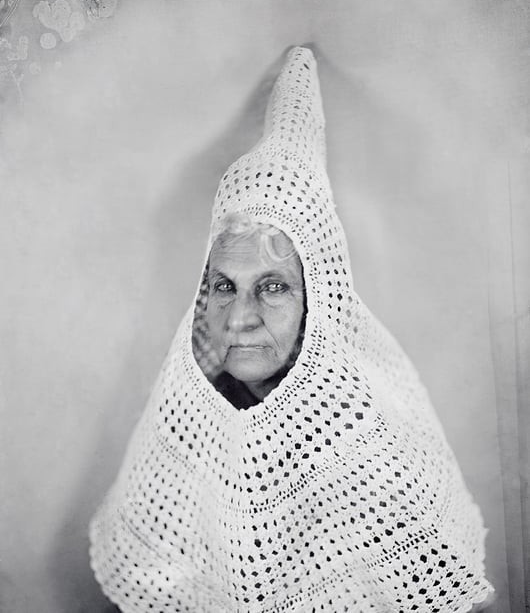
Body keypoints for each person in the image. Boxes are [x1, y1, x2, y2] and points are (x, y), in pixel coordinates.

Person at [90, 46, 493, 612]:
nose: (239, 318)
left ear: (316, 302)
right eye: (224, 285)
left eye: (273, 287)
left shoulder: (366, 444)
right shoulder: (188, 419)